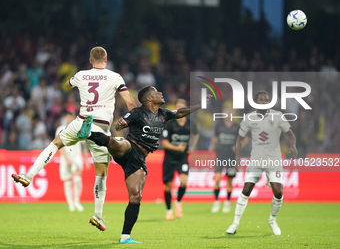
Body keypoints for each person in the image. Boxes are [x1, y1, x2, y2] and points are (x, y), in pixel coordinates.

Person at [12, 46, 136, 232]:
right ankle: (98, 216)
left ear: (90, 60)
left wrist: (75, 83)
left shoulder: (82, 75)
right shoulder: (115, 77)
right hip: (102, 127)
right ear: (106, 59)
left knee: (55, 144)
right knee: (101, 174)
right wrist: (128, 121)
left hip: (82, 121)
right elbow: (130, 102)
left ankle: (28, 176)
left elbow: (66, 85)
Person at [77, 86, 211, 243]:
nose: (160, 93)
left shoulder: (164, 114)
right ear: (149, 98)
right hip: (129, 148)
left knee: (136, 196)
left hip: (140, 158)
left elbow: (180, 113)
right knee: (120, 143)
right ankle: (88, 134)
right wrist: (120, 125)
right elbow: (122, 122)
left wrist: (200, 105)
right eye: (156, 92)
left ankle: (125, 237)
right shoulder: (137, 112)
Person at [226, 90, 298, 236]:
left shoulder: (277, 116)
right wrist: (237, 157)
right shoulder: (249, 118)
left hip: (274, 160)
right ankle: (235, 223)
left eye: (266, 100)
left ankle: (272, 220)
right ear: (255, 101)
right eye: (261, 100)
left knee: (278, 192)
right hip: (256, 159)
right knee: (246, 190)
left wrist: (293, 145)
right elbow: (239, 139)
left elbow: (291, 134)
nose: (264, 102)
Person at [161, 98, 199, 220]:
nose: (180, 109)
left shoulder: (190, 123)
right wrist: (177, 148)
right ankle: (168, 210)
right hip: (170, 158)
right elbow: (164, 143)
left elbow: (196, 134)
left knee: (183, 181)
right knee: (168, 186)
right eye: (178, 106)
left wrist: (192, 146)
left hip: (183, 158)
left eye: (182, 106)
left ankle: (178, 202)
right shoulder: (170, 123)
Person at [209, 106, 249, 213]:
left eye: (230, 112)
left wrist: (238, 147)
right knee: (217, 178)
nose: (227, 113)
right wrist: (212, 145)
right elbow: (215, 137)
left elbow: (245, 139)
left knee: (229, 180)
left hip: (232, 156)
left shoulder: (237, 127)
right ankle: (216, 201)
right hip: (220, 155)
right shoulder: (219, 126)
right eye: (225, 111)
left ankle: (227, 202)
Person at [56, 112, 90, 212]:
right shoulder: (60, 129)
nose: (70, 118)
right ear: (65, 117)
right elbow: (58, 145)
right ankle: (70, 203)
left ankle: (77, 201)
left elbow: (84, 145)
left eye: (71, 117)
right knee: (67, 181)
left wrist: (87, 160)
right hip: (66, 157)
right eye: (68, 116)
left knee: (77, 179)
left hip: (77, 157)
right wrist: (66, 159)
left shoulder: (79, 128)